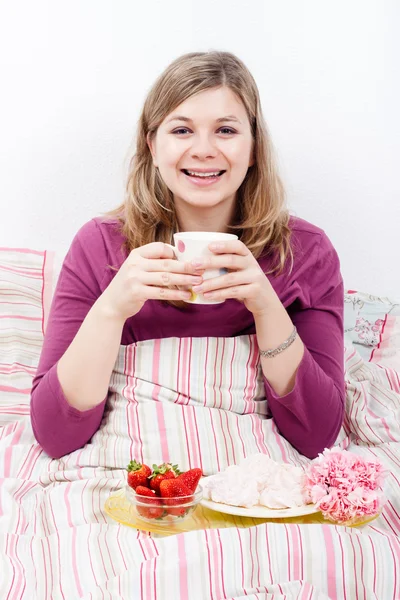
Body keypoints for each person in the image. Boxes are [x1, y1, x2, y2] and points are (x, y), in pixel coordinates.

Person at [30, 51, 345, 461]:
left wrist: (267, 308)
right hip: (134, 468)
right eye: (181, 130)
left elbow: (318, 437)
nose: (203, 150)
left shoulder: (306, 252)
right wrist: (111, 309)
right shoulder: (99, 247)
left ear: (253, 149)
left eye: (226, 130)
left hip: (253, 468)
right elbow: (55, 436)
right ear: (152, 146)